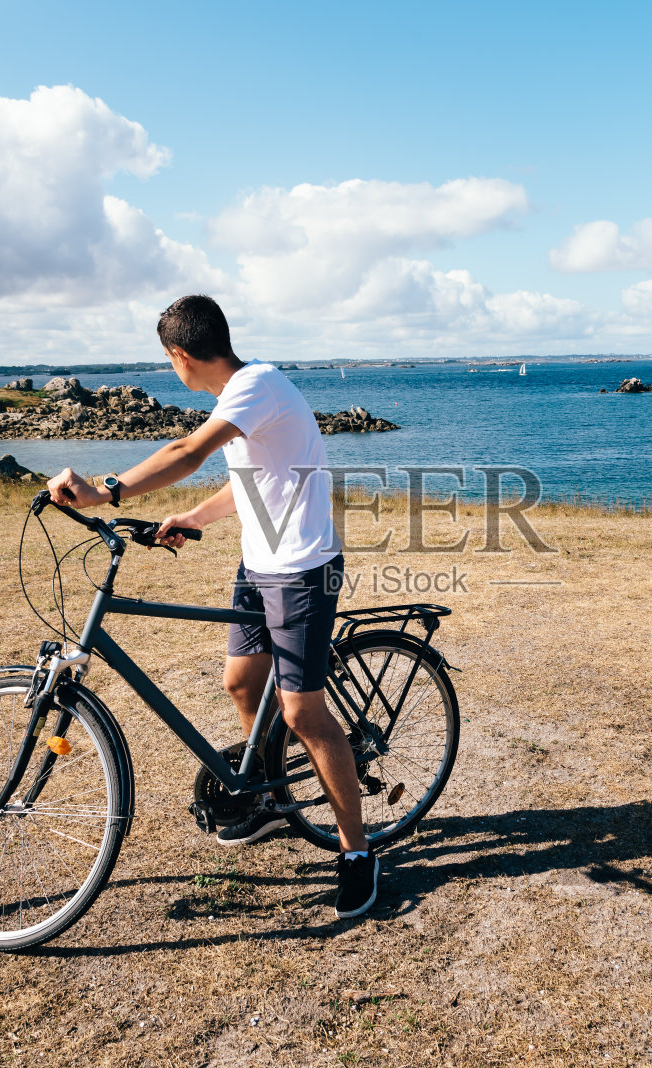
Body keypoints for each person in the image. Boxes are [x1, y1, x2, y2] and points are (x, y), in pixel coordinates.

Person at [44, 295, 378, 919]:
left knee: (304, 713)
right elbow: (251, 477)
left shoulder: (257, 386)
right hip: (260, 562)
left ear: (179, 356)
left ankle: (358, 853)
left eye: (169, 362)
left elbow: (187, 452)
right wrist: (193, 516)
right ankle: (274, 802)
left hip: (302, 567)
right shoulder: (246, 394)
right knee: (242, 684)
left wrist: (103, 490)